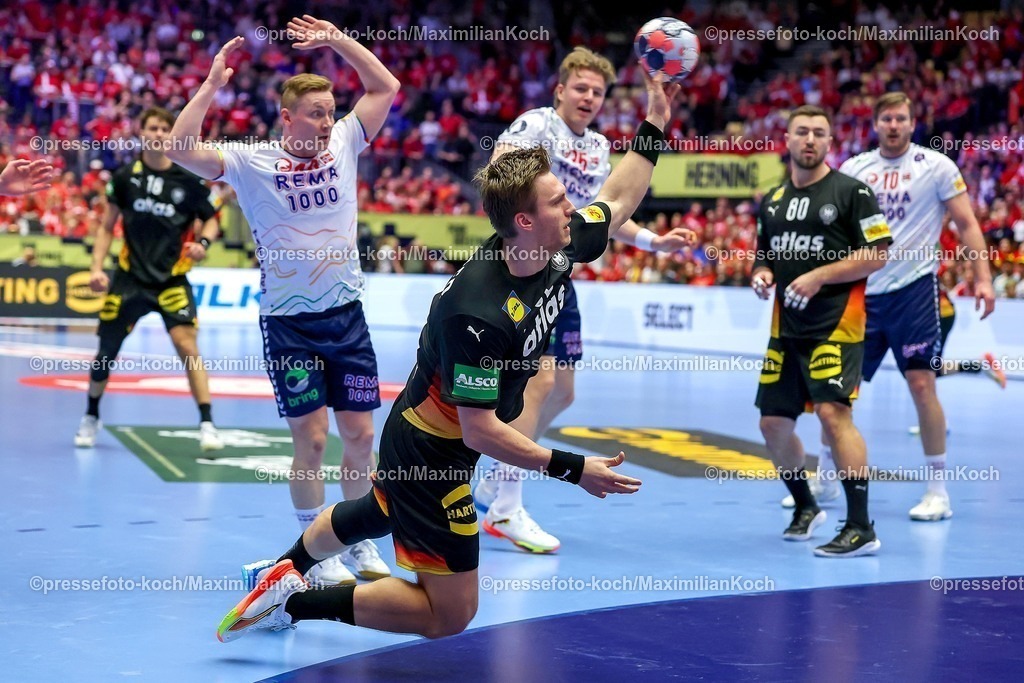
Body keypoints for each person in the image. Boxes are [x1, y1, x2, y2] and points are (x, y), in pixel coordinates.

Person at [215, 72, 677, 643]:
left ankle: (279, 570)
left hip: (424, 430)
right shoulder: (477, 312)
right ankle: (294, 605)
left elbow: (618, 195)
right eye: (560, 201)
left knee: (382, 505)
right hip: (437, 452)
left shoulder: (553, 243)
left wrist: (656, 120)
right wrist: (573, 468)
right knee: (449, 615)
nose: (573, 208)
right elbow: (479, 432)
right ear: (526, 222)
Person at [166, 17, 399, 585]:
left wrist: (337, 41)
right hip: (288, 323)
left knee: (362, 437)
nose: (326, 121)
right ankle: (317, 552)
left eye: (330, 110)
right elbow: (177, 148)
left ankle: (360, 541)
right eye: (314, 113)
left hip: (347, 316)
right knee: (312, 440)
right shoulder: (250, 162)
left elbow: (386, 87)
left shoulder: (346, 139)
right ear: (287, 118)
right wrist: (213, 85)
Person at [472, 47, 695, 553]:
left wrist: (653, 242)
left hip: (564, 273)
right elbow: (501, 184)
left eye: (598, 91)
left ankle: (498, 476)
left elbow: (608, 210)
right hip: (526, 270)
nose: (590, 98)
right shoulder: (534, 128)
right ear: (560, 90)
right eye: (581, 88)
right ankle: (506, 505)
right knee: (541, 379)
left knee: (563, 392)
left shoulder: (596, 146)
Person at [827, 92, 996, 521]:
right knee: (837, 392)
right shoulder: (855, 169)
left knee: (923, 384)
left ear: (913, 122)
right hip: (862, 293)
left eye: (901, 118)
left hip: (914, 290)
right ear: (876, 123)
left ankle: (938, 492)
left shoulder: (936, 166)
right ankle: (827, 477)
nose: (894, 125)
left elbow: (966, 223)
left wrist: (982, 278)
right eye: (887, 118)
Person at [752, 105, 892, 557]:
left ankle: (860, 525)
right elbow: (764, 256)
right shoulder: (771, 200)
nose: (809, 140)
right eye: (801, 132)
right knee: (772, 424)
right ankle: (806, 504)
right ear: (787, 140)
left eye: (818, 133)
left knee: (834, 416)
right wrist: (761, 274)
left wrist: (819, 276)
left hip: (837, 326)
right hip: (785, 329)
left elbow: (877, 254)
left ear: (830, 142)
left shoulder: (854, 192)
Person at [73, 107, 223, 452]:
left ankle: (207, 424)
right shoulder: (124, 178)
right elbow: (107, 227)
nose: (157, 134)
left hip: (172, 281)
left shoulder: (190, 181)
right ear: (142, 133)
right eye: (151, 128)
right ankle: (91, 415)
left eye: (163, 129)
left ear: (171, 135)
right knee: (105, 353)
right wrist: (97, 268)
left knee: (189, 347)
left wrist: (202, 243)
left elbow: (212, 219)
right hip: (129, 279)